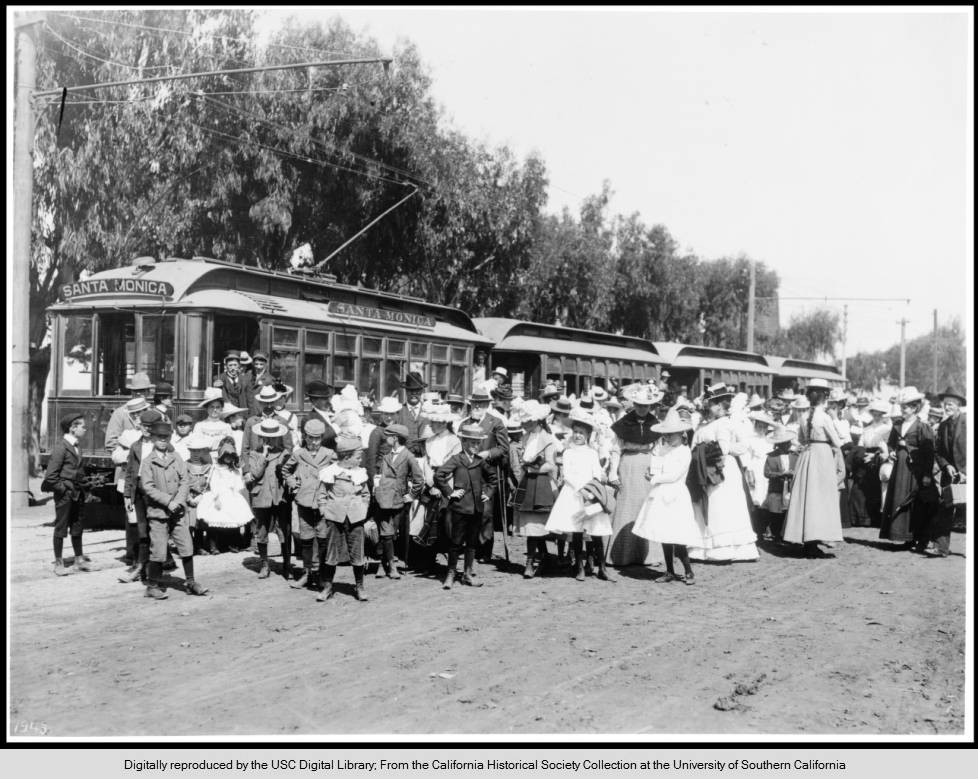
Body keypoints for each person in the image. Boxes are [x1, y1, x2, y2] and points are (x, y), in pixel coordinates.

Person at [687, 383, 760, 562]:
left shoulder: (728, 423)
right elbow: (693, 446)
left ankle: (727, 549)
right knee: (707, 504)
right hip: (705, 468)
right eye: (708, 404)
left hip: (723, 470)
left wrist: (726, 451)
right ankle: (703, 547)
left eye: (712, 403)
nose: (709, 407)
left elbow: (741, 445)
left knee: (723, 506)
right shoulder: (702, 426)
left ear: (720, 405)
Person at [139, 420, 208, 598]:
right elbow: (148, 487)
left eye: (166, 437)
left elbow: (185, 480)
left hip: (178, 512)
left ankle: (191, 582)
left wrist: (178, 501)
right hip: (158, 513)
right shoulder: (148, 462)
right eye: (159, 437)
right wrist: (168, 501)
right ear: (152, 437)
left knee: (186, 546)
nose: (163, 440)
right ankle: (152, 585)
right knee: (159, 550)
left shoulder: (176, 457)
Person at [632, 408, 699, 584]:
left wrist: (655, 478)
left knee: (677, 535)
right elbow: (657, 466)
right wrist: (650, 472)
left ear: (681, 433)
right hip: (660, 493)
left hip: (675, 494)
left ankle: (688, 571)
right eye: (666, 434)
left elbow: (675, 475)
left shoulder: (684, 451)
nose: (668, 438)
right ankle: (669, 570)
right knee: (664, 534)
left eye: (672, 434)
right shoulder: (662, 449)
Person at [781, 379, 844, 559]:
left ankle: (806, 538)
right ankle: (814, 540)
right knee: (821, 498)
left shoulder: (803, 417)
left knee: (807, 496)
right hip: (822, 455)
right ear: (824, 396)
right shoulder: (824, 417)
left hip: (807, 454)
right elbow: (838, 441)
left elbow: (801, 439)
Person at [606, 385, 666, 567]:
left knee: (646, 506)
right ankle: (623, 554)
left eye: (646, 406)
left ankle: (649, 555)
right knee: (626, 505)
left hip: (647, 466)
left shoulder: (655, 423)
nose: (642, 409)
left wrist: (656, 470)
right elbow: (616, 450)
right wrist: (612, 472)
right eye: (639, 405)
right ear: (634, 404)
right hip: (628, 465)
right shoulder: (624, 423)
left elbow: (657, 450)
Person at [544, 408, 606, 581]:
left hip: (591, 494)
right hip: (574, 493)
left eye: (581, 433)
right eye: (576, 432)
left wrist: (593, 489)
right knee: (577, 532)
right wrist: (582, 489)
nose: (578, 435)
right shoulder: (568, 452)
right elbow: (568, 475)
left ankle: (601, 567)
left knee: (596, 532)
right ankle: (579, 567)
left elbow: (597, 473)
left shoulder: (592, 453)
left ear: (587, 435)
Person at [435, 423, 498, 588]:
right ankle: (450, 574)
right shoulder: (457, 459)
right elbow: (439, 475)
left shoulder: (480, 461)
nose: (475, 446)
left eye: (478, 443)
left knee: (472, 542)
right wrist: (450, 493)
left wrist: (488, 493)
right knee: (455, 542)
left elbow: (493, 478)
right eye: (472, 443)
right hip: (459, 508)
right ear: (464, 442)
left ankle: (468, 574)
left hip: (477, 508)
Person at [880, 387, 938, 552]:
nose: (902, 410)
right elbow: (891, 443)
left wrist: (927, 474)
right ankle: (902, 536)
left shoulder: (922, 427)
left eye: (905, 407)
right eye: (902, 407)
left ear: (914, 408)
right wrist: (891, 452)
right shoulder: (897, 425)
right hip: (900, 468)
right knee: (899, 498)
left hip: (915, 470)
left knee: (915, 502)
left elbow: (928, 452)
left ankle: (917, 537)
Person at [315, 435, 372, 602]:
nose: (360, 460)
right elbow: (322, 495)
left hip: (355, 518)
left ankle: (359, 586)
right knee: (331, 554)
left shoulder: (360, 473)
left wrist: (362, 509)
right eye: (358, 457)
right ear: (346, 457)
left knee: (357, 553)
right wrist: (324, 511)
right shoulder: (330, 473)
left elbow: (366, 494)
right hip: (335, 517)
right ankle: (328, 586)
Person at [281, 418, 336, 589]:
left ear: (322, 438)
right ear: (304, 437)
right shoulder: (298, 454)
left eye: (317, 438)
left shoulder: (329, 454)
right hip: (304, 500)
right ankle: (307, 573)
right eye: (310, 438)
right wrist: (292, 482)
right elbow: (285, 470)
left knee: (322, 538)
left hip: (322, 502)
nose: (313, 442)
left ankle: (320, 574)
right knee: (306, 538)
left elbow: (339, 471)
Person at [458, 389, 510, 564]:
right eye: (474, 404)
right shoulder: (464, 424)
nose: (476, 407)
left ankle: (485, 549)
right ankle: (469, 547)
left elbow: (504, 448)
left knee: (486, 512)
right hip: (467, 472)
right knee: (467, 510)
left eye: (480, 404)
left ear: (487, 405)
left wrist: (488, 453)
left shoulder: (496, 423)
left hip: (487, 473)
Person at [42, 413, 93, 576]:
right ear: (72, 428)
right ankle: (59, 563)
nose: (85, 429)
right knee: (61, 527)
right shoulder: (61, 447)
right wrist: (63, 489)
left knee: (77, 526)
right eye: (82, 426)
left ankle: (79, 559)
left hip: (77, 493)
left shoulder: (77, 446)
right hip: (65, 495)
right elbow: (50, 476)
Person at [512, 400, 559, 578]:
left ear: (536, 420)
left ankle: (531, 561)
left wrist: (531, 467)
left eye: (527, 421)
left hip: (541, 483)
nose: (524, 424)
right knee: (532, 526)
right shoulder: (526, 437)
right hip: (528, 483)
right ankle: (543, 557)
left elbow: (550, 465)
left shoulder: (547, 438)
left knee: (536, 526)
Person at [413, 406, 462, 573]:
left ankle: (451, 564)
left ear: (443, 423)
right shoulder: (429, 441)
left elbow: (452, 465)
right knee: (427, 520)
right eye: (432, 422)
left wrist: (441, 486)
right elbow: (427, 463)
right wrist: (430, 484)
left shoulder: (454, 441)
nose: (431, 425)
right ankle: (429, 561)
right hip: (432, 484)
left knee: (446, 523)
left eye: (434, 422)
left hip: (447, 484)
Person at [372, 423, 424, 578]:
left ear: (395, 438)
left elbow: (419, 479)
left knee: (391, 534)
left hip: (397, 501)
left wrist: (412, 495)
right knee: (385, 533)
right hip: (383, 499)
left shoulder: (408, 456)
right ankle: (390, 566)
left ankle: (386, 563)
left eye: (388, 436)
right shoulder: (387, 456)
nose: (386, 438)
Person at [245, 417, 292, 580]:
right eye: (266, 437)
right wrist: (263, 456)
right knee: (262, 530)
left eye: (273, 436)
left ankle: (287, 564)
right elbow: (256, 474)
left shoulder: (285, 453)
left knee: (284, 529)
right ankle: (265, 564)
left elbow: (289, 473)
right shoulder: (254, 453)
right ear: (261, 437)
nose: (270, 440)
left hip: (280, 497)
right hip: (262, 496)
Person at [195, 436, 253, 551]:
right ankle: (213, 544)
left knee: (233, 518)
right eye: (226, 456)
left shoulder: (235, 470)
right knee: (215, 519)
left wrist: (237, 496)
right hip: (219, 495)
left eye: (231, 456)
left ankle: (232, 543)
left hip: (232, 495)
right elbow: (214, 483)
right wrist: (216, 498)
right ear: (221, 456)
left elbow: (238, 485)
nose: (228, 459)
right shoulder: (216, 469)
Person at [932, 386, 967, 556]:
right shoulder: (943, 425)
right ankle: (941, 547)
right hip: (950, 474)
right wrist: (946, 466)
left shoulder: (968, 422)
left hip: (967, 473)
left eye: (951, 404)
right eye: (945, 404)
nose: (947, 407)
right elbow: (937, 451)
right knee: (944, 508)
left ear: (959, 405)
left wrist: (965, 471)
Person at [849, 399, 891, 528]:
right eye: (875, 414)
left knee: (877, 489)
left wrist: (875, 456)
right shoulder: (866, 428)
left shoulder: (887, 429)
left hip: (880, 458)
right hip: (865, 457)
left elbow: (888, 447)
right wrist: (862, 455)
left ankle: (875, 519)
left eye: (880, 414)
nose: (877, 416)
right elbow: (861, 444)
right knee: (859, 487)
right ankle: (860, 518)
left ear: (883, 415)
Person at [760, 426, 798, 542]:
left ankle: (787, 535)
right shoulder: (771, 456)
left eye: (788, 443)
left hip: (790, 487)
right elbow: (767, 473)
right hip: (777, 488)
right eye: (784, 443)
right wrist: (779, 475)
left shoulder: (795, 455)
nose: (787, 445)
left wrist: (793, 474)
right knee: (776, 513)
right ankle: (776, 534)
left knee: (789, 511)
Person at [183, 432, 217, 556]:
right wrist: (189, 498)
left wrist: (203, 496)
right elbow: (182, 484)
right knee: (190, 524)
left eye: (198, 451)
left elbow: (211, 485)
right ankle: (189, 547)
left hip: (203, 498)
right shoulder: (184, 465)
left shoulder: (208, 466)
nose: (195, 454)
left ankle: (202, 545)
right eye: (193, 451)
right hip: (188, 498)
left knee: (202, 523)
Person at [394, 371, 430, 457]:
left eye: (417, 391)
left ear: (421, 391)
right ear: (406, 391)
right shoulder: (398, 412)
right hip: (403, 460)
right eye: (411, 391)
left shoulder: (428, 412)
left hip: (425, 460)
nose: (414, 394)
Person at [193, 387, 233, 460]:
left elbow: (229, 446)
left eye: (218, 407)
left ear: (221, 409)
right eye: (212, 407)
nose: (215, 410)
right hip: (203, 459)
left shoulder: (226, 426)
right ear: (207, 408)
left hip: (221, 459)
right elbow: (196, 444)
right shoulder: (199, 425)